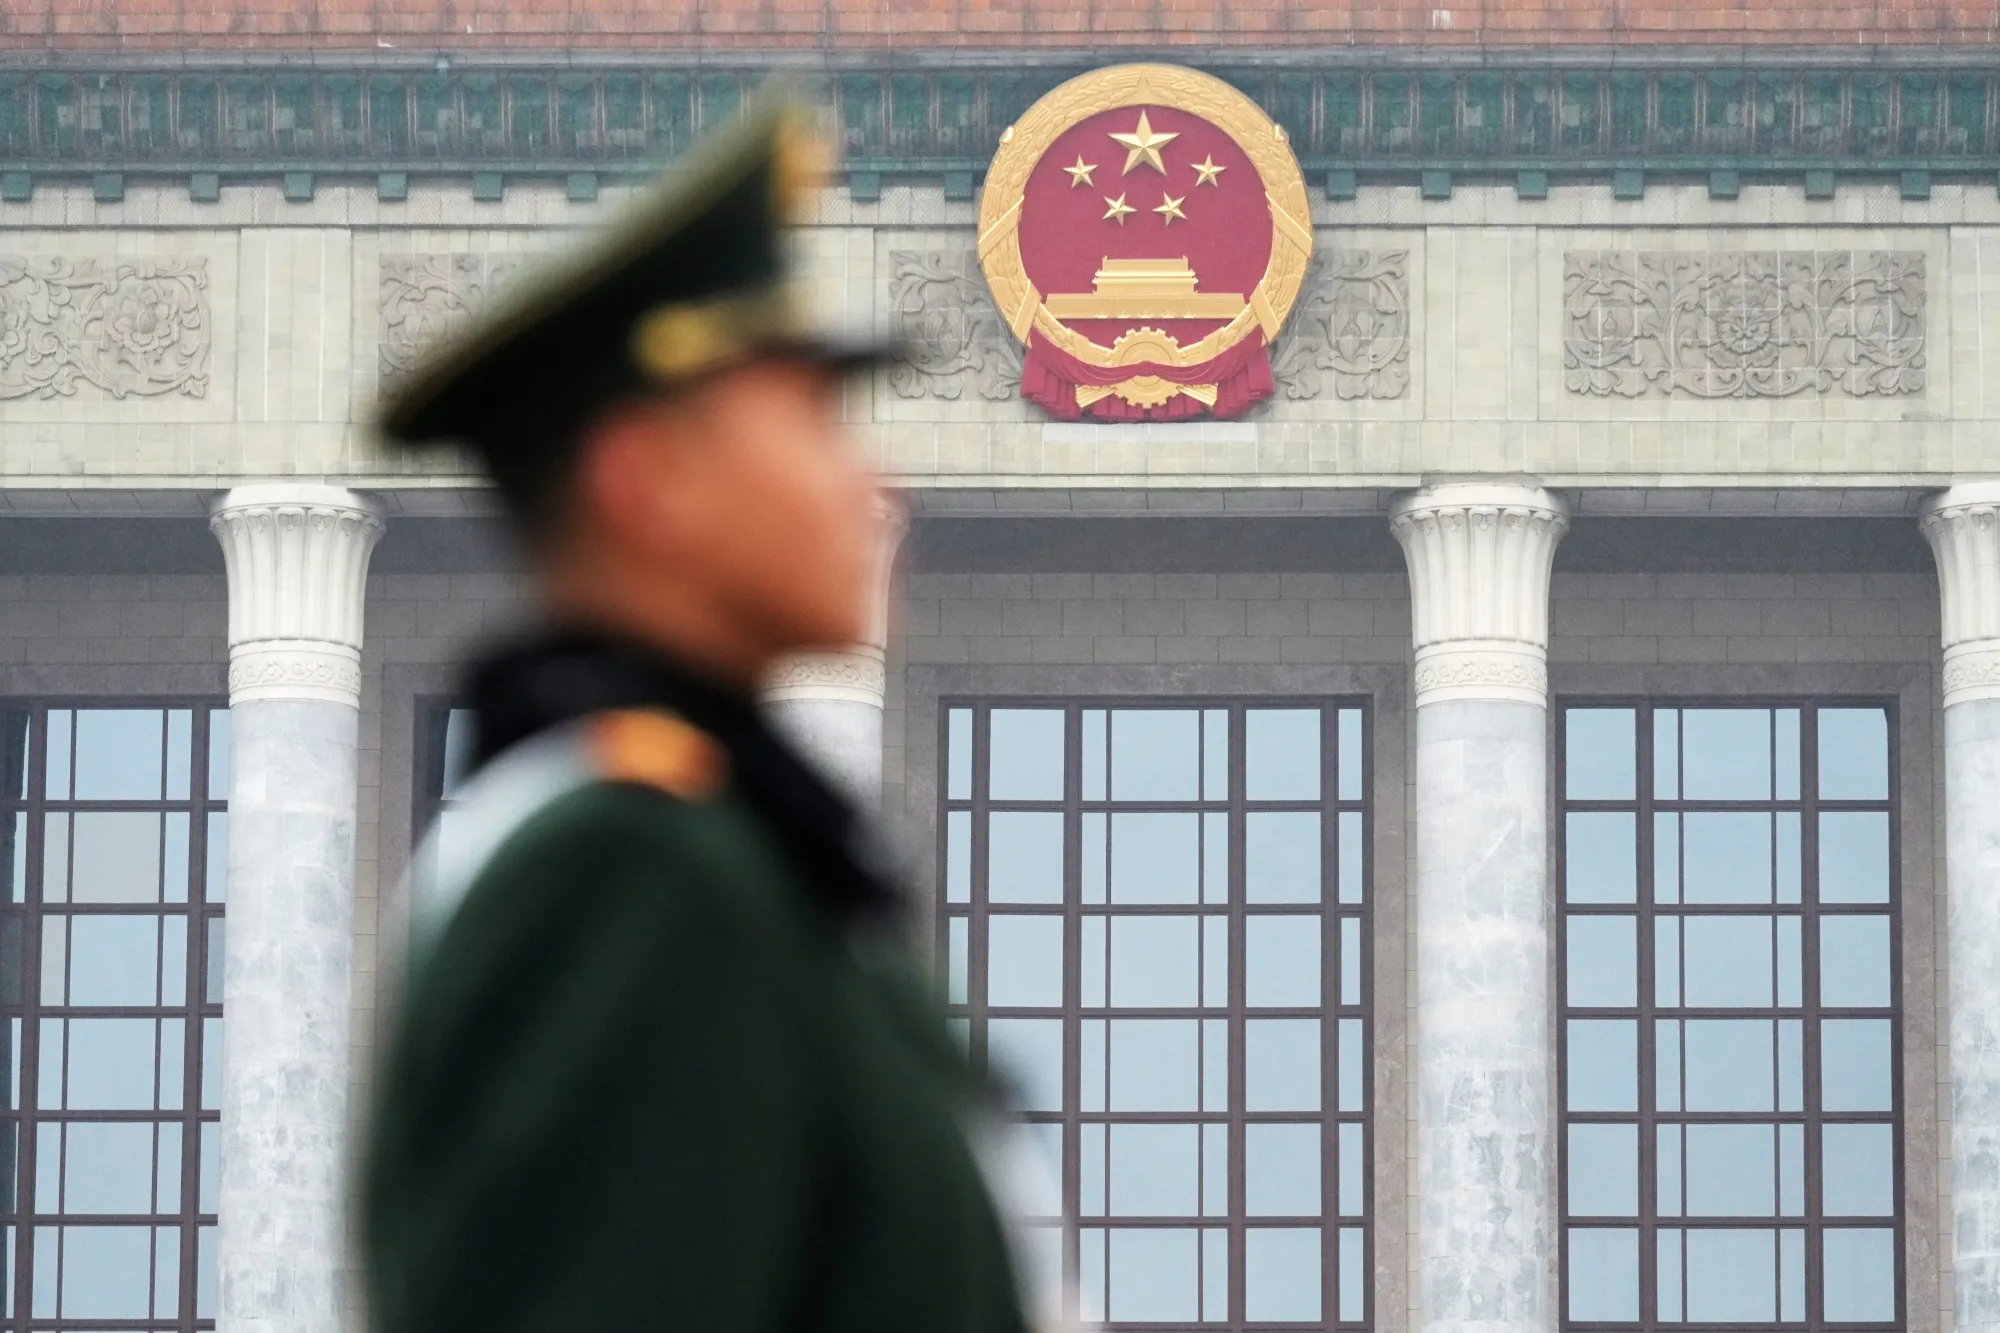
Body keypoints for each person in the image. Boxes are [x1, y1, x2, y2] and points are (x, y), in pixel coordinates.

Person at [362, 99, 1038, 1333]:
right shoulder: (622, 872)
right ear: (650, 478)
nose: (874, 481)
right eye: (815, 422)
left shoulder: (729, 852)